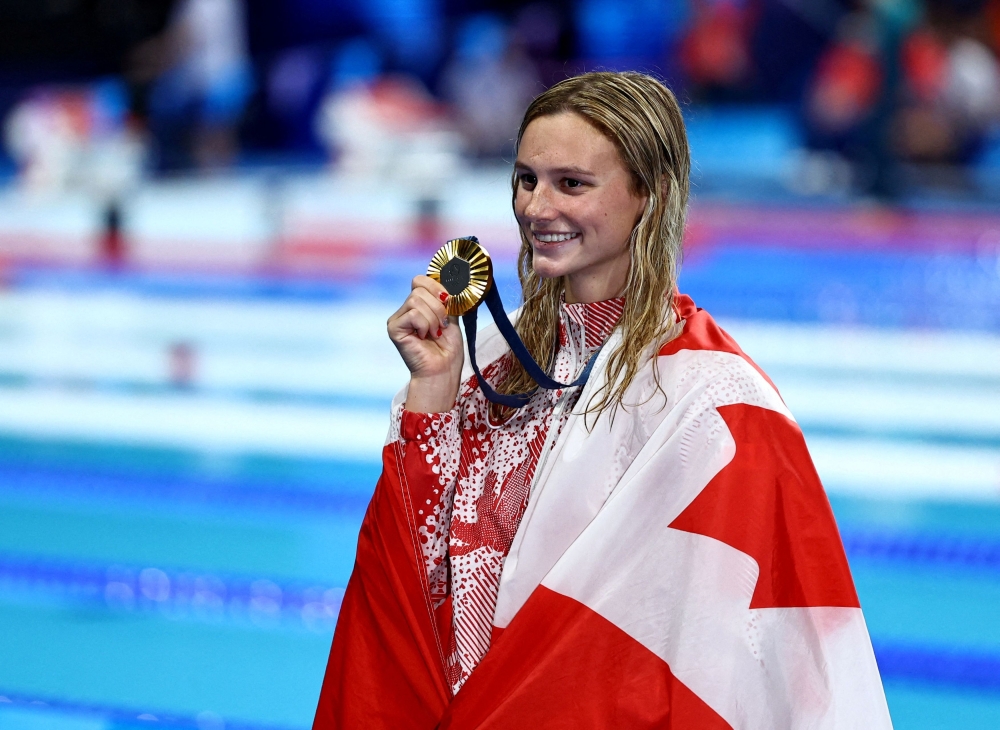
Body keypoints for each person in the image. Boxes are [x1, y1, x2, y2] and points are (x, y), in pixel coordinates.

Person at [314, 71, 892, 728]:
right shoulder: (503, 376)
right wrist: (433, 396)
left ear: (651, 194)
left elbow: (748, 654)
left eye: (572, 184)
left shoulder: (717, 401)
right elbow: (415, 591)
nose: (537, 207)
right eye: (527, 179)